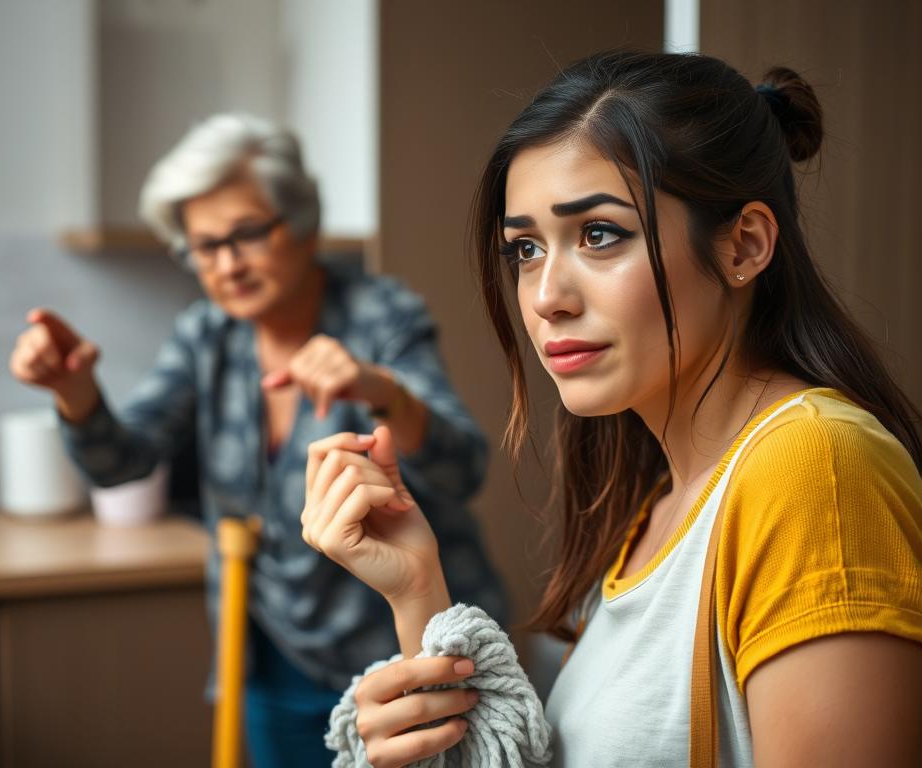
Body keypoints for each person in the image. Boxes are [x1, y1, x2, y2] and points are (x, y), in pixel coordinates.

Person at [301, 50, 922, 767]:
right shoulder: (655, 506)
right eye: (526, 249)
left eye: (599, 234)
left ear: (744, 245)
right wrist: (418, 596)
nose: (544, 296)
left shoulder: (817, 471)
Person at [8, 113, 505, 767]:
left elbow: (463, 467)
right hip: (269, 656)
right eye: (203, 247)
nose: (227, 264)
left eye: (246, 234)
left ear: (300, 223)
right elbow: (121, 463)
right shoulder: (206, 335)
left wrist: (381, 389)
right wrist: (74, 393)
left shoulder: (381, 315)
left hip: (400, 659)